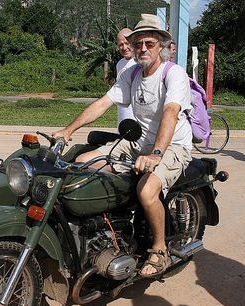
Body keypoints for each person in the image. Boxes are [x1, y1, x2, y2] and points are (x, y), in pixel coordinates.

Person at [53, 14, 193, 277]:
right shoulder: (132, 74)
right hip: (137, 143)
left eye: (149, 43)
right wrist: (69, 130)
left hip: (172, 145)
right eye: (138, 43)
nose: (142, 49)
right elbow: (103, 103)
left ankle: (159, 249)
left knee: (147, 191)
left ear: (161, 45)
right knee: (83, 165)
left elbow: (171, 113)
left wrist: (156, 154)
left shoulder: (173, 75)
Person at [115, 28, 137, 125]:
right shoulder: (120, 63)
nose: (124, 48)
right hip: (122, 115)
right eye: (120, 44)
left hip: (136, 118)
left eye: (127, 43)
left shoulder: (140, 63)